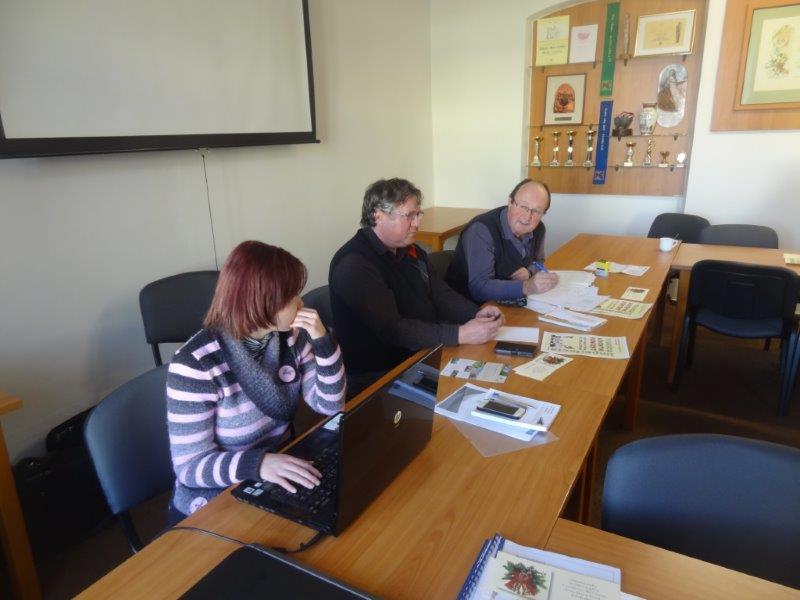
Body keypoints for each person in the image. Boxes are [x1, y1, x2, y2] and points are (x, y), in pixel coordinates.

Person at [165, 241, 346, 525]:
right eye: (292, 296)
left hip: (275, 470)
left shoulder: (292, 337)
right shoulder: (195, 365)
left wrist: (323, 341)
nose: (301, 303)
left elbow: (330, 404)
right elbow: (189, 467)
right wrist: (258, 464)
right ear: (262, 303)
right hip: (220, 490)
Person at [329, 178, 504, 397]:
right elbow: (393, 330)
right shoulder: (355, 265)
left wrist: (476, 313)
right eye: (409, 216)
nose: (417, 224)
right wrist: (461, 334)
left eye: (418, 214)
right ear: (378, 216)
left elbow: (439, 293)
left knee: (494, 381)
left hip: (422, 351)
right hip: (381, 375)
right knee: (472, 396)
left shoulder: (409, 249)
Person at [446, 179, 559, 303]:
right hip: (470, 305)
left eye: (536, 211)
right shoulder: (481, 230)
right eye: (523, 207)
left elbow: (539, 261)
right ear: (510, 202)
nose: (527, 217)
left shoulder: (539, 228)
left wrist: (529, 272)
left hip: (510, 300)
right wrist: (527, 286)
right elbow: (479, 288)